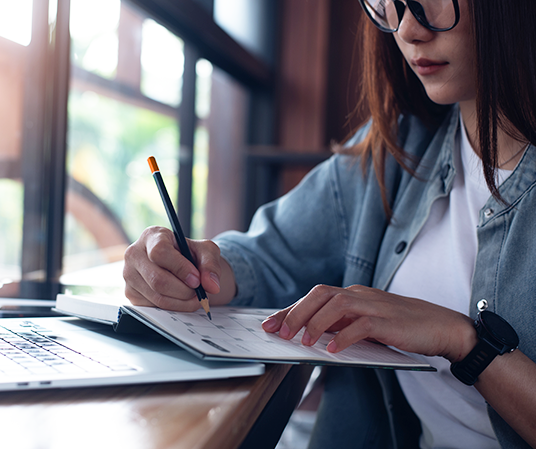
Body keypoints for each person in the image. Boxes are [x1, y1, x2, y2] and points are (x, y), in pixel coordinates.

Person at [123, 0, 536, 447]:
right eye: (391, 5)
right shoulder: (395, 150)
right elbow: (266, 256)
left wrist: (464, 341)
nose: (409, 31)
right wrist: (194, 271)